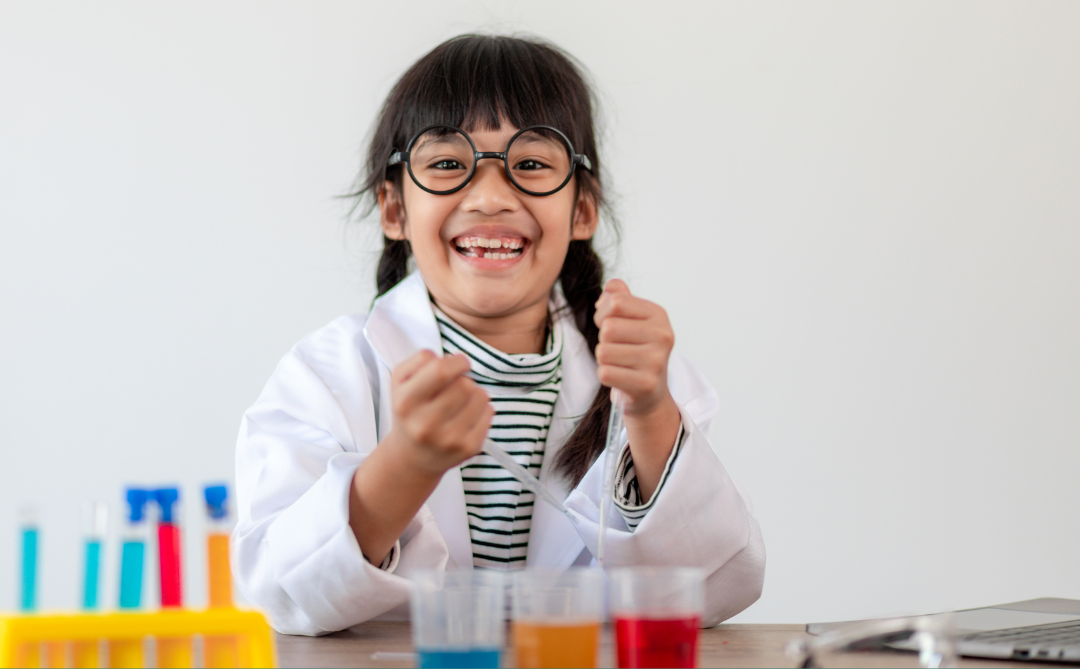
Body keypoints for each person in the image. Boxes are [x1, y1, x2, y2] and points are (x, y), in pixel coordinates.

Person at [233, 34, 764, 634]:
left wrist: (646, 412)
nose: (490, 197)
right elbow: (278, 590)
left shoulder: (643, 378)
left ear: (582, 209)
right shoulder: (329, 374)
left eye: (532, 164)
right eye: (447, 164)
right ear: (394, 209)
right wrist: (405, 465)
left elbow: (715, 587)